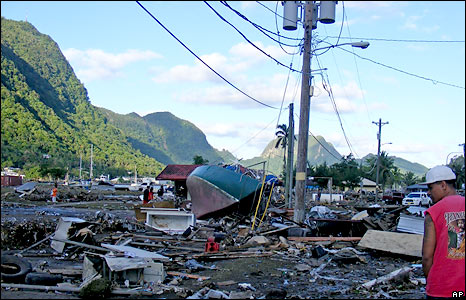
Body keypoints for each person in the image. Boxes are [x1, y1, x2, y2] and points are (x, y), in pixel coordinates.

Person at [422, 165, 465, 299]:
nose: (429, 193)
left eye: (430, 188)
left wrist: (431, 281)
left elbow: (427, 257)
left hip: (442, 290)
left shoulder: (433, 212)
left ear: (443, 185)